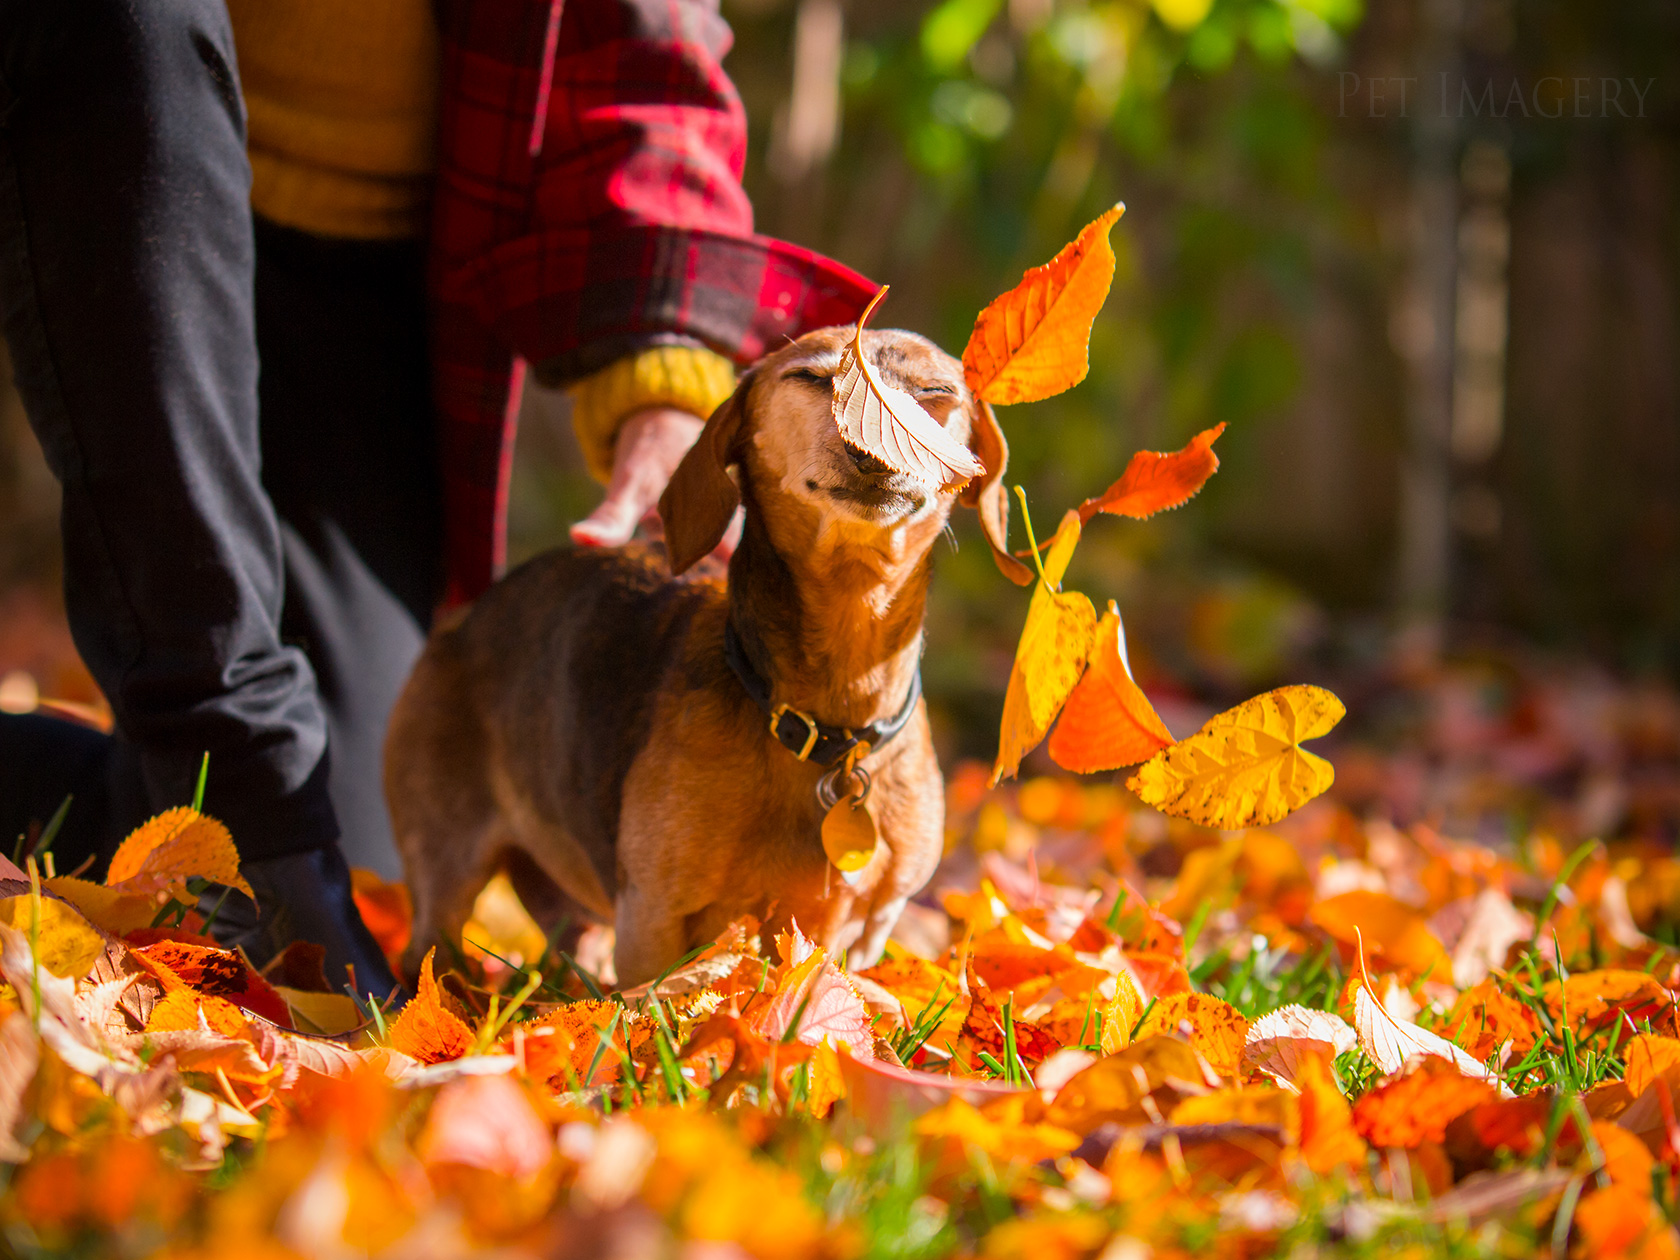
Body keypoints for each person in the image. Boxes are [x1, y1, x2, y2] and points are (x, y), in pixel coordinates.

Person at [0, 0, 872, 998]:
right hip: (103, 142)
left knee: (325, 834)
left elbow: (642, 42)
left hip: (362, 267)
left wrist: (662, 375)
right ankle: (240, 765)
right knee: (260, 812)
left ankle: (236, 807)